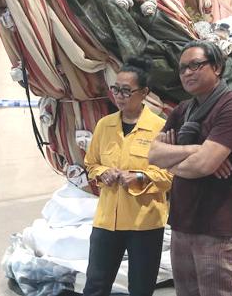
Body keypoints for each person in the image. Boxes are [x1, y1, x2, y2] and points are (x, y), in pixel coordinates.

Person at [149, 41, 232, 296]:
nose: (186, 73)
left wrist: (180, 159)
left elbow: (205, 165)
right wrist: (197, 150)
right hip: (183, 223)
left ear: (216, 67)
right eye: (183, 68)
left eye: (195, 65)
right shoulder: (183, 111)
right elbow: (153, 155)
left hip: (218, 227)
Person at [83, 55, 173, 296]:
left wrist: (141, 177)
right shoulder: (104, 125)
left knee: (141, 288)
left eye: (126, 91)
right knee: (95, 286)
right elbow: (91, 163)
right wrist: (104, 173)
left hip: (144, 222)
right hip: (106, 221)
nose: (119, 96)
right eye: (116, 90)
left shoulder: (159, 127)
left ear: (143, 93)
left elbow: (169, 174)